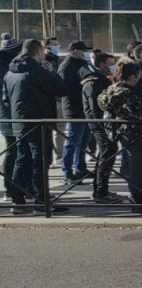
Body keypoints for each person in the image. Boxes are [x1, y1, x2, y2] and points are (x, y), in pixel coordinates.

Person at [5, 40, 69, 213]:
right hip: (39, 121)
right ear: (39, 52)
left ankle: (17, 200)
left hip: (18, 122)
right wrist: (51, 72)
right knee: (41, 161)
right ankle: (42, 200)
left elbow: (6, 99)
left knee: (22, 158)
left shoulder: (10, 72)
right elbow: (61, 89)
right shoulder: (37, 71)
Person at [99, 60, 142, 213]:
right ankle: (139, 199)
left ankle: (139, 195)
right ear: (132, 77)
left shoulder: (112, 89)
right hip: (135, 133)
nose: (139, 78)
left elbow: (102, 102)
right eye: (138, 75)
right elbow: (141, 114)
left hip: (126, 133)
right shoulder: (129, 93)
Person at [81, 51, 122, 204]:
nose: (113, 68)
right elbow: (96, 107)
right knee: (106, 154)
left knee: (108, 154)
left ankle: (102, 189)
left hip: (106, 124)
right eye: (111, 64)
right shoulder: (93, 82)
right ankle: (100, 191)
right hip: (100, 125)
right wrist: (104, 123)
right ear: (102, 64)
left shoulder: (103, 80)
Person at [58, 41, 94, 185]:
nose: (85, 53)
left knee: (83, 141)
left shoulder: (81, 64)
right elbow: (66, 89)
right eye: (82, 50)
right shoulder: (66, 67)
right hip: (74, 108)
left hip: (84, 108)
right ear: (74, 50)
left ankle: (80, 167)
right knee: (73, 141)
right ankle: (67, 172)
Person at [0, 33, 22, 205]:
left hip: (7, 113)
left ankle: (13, 188)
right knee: (14, 150)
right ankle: (12, 188)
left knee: (13, 150)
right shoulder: (10, 66)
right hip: (9, 113)